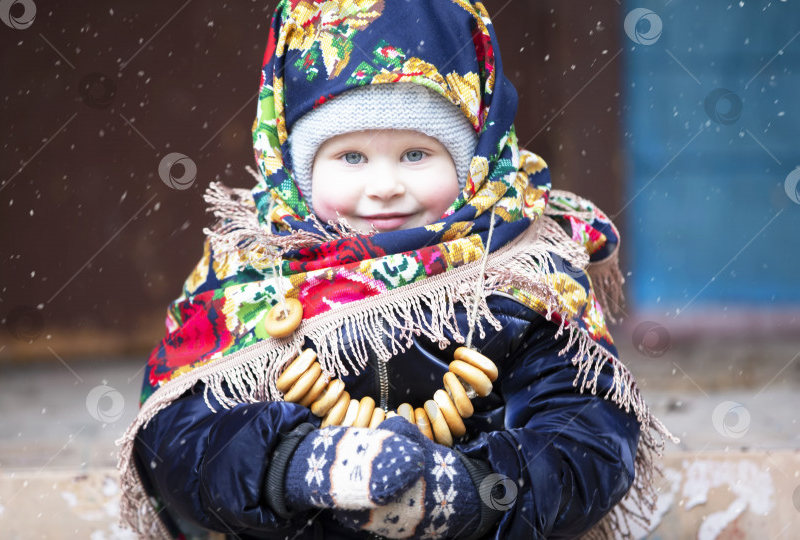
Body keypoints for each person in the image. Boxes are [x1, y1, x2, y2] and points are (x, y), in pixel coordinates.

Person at [117, 1, 673, 539]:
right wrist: (293, 465)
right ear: (296, 164)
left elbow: (589, 434)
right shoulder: (251, 271)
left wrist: (470, 492)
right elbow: (177, 438)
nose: (383, 187)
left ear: (473, 157)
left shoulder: (522, 270)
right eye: (351, 157)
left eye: (416, 154)